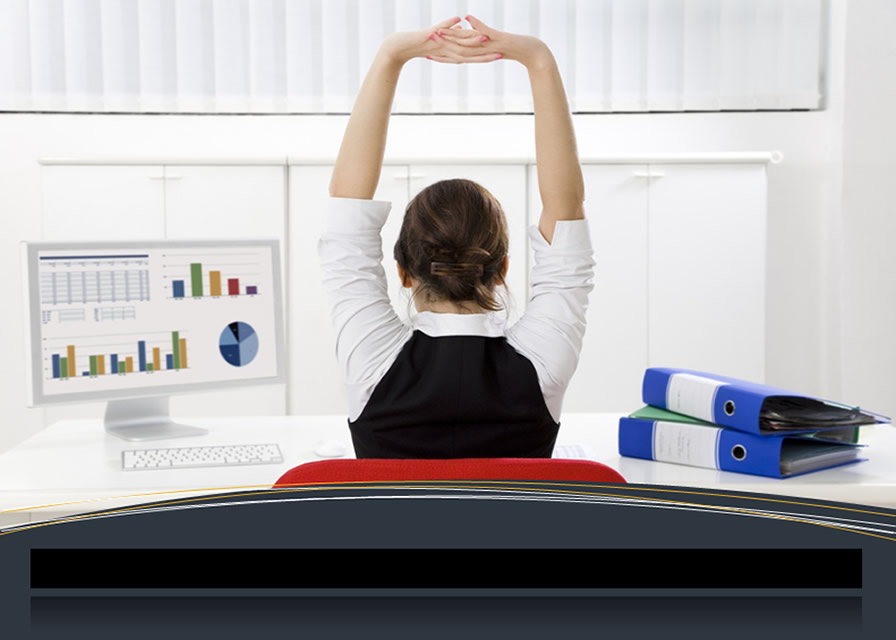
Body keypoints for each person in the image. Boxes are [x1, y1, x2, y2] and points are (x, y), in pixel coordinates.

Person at [320, 15, 592, 458]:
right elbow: (566, 210)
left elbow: (347, 209)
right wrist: (537, 60)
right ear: (501, 269)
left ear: (404, 272)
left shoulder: (372, 358)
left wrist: (391, 55)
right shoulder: (544, 361)